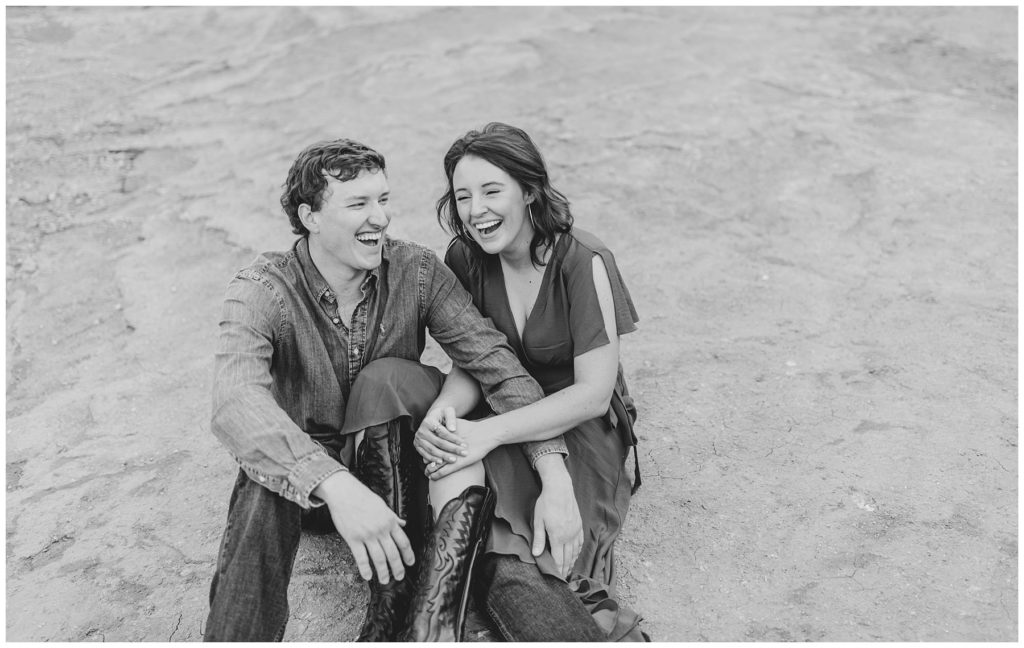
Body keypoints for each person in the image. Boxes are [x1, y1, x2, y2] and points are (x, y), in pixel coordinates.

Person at [203, 137, 587, 642]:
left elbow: (495, 363)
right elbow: (236, 403)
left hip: (399, 474)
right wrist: (334, 485)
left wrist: (551, 470)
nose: (380, 218)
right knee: (261, 479)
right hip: (313, 483)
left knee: (392, 382)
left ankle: (406, 616)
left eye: (382, 200)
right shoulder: (263, 289)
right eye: (358, 204)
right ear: (311, 216)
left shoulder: (416, 270)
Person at [411, 122, 647, 641]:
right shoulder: (465, 258)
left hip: (581, 425)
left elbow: (594, 392)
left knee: (543, 550)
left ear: (530, 190)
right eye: (463, 196)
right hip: (501, 406)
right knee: (477, 518)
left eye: (492, 191)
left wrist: (491, 433)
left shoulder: (584, 260)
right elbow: (476, 363)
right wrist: (446, 411)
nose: (477, 210)